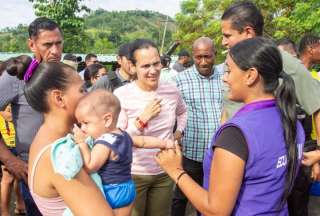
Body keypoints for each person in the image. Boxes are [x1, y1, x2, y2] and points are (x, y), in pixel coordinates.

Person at [156, 37, 305, 215]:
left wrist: (176, 171)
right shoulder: (291, 121)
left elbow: (216, 211)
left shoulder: (236, 134)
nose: (224, 78)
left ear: (250, 75)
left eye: (228, 71)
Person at [219, 1, 320, 183]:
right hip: (231, 157)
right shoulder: (231, 60)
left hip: (266, 167)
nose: (223, 42)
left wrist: (319, 154)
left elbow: (317, 104)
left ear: (248, 32)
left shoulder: (282, 61)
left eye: (227, 35)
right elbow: (228, 107)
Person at [6, 54, 115, 215]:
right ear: (59, 98)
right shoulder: (61, 155)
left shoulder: (49, 138)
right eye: (82, 90)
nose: (88, 95)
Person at [114, 39, 187, 216]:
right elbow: (117, 139)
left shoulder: (171, 90)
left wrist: (178, 132)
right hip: (133, 173)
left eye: (156, 63)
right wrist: (142, 119)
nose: (153, 70)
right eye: (145, 66)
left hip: (164, 171)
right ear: (133, 67)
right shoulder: (122, 95)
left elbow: (183, 112)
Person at [72, 90, 175, 216]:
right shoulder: (123, 135)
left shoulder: (104, 143)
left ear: (107, 120)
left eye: (86, 123)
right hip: (128, 187)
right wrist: (165, 144)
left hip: (111, 191)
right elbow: (143, 141)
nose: (82, 128)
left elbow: (90, 166)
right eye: (80, 124)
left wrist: (81, 143)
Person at [0, 17, 63, 216]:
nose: (55, 50)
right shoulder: (16, 77)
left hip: (69, 167)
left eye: (59, 43)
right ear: (31, 44)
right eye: (47, 44)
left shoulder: (66, 75)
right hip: (33, 171)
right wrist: (10, 160)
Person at [171, 37, 224, 216]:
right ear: (193, 56)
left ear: (215, 54)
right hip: (191, 153)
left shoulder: (225, 77)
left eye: (207, 57)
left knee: (212, 199)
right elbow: (172, 113)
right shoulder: (180, 80)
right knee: (181, 196)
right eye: (198, 57)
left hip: (219, 153)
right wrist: (176, 136)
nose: (203, 62)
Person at [0, 105, 25, 216]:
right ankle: (4, 212)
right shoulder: (5, 97)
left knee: (18, 176)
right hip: (7, 142)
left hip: (16, 141)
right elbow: (8, 117)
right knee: (7, 179)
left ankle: (20, 205)